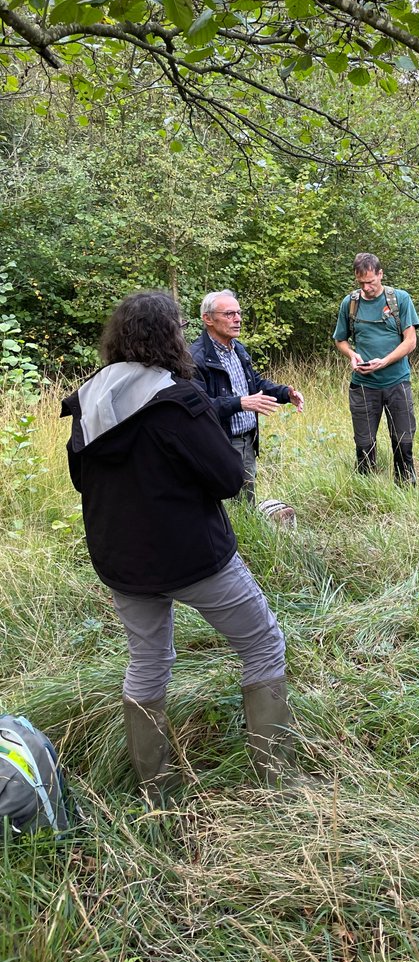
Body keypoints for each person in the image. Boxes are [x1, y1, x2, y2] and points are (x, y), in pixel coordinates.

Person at [62, 292, 293, 801]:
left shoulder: (87, 399)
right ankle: (278, 783)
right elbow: (230, 477)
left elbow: (83, 480)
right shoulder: (179, 400)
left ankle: (158, 793)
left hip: (121, 558)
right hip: (193, 556)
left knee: (147, 663)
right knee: (262, 644)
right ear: (170, 336)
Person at [191, 289, 304, 502]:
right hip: (219, 444)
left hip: (247, 441)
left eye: (239, 313)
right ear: (208, 319)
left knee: (246, 508)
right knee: (222, 508)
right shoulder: (195, 358)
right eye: (229, 314)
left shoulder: (237, 349)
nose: (238, 319)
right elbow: (198, 406)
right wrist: (240, 403)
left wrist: (285, 393)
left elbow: (255, 384)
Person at [333, 252, 419, 484]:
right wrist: (352, 355)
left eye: (371, 281)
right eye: (361, 282)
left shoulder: (399, 299)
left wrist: (385, 361)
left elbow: (410, 341)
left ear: (381, 274)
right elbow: (340, 340)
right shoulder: (350, 303)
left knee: (403, 441)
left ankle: (405, 491)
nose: (367, 287)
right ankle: (367, 492)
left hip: (397, 382)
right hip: (363, 386)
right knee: (364, 444)